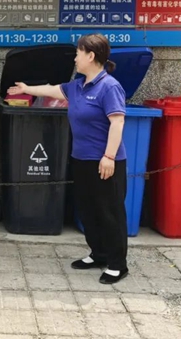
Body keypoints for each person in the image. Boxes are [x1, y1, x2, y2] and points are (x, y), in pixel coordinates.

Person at [7, 34, 128, 284]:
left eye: (78, 53)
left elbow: (117, 122)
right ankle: (98, 254)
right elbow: (53, 89)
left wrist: (109, 156)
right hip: (81, 159)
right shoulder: (78, 86)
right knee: (87, 209)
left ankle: (118, 264)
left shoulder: (109, 86)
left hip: (104, 161)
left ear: (90, 56)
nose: (75, 58)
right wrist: (26, 89)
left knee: (109, 212)